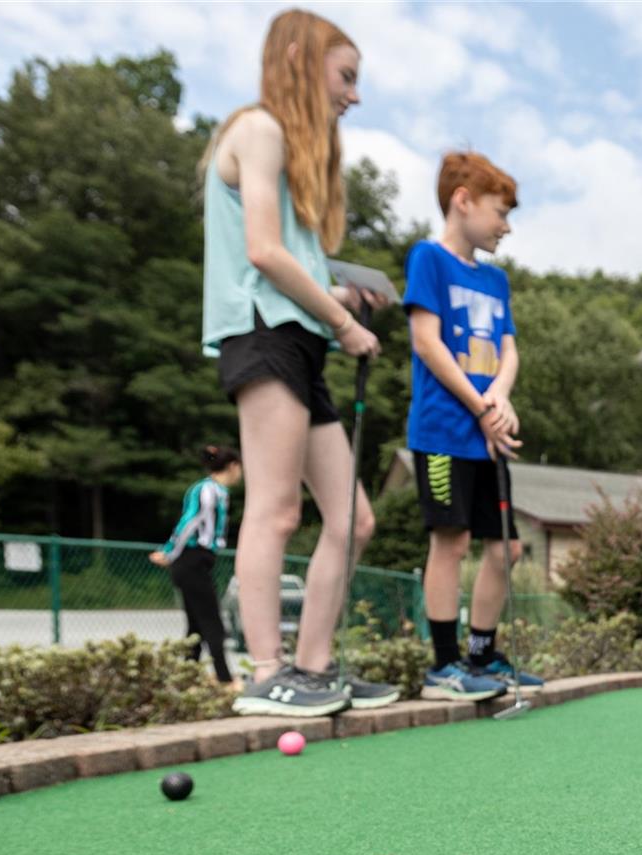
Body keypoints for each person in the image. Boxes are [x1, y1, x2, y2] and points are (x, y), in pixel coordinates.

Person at [201, 7, 395, 718]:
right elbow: (263, 253)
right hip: (263, 336)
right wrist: (345, 322)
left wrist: (343, 296)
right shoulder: (258, 130)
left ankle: (312, 669)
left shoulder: (296, 162)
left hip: (299, 341)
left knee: (353, 519)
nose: (354, 94)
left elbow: (296, 267)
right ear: (299, 61)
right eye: (346, 76)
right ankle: (266, 674)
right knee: (277, 510)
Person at [405, 151, 543, 701]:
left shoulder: (497, 280)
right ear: (463, 201)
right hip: (444, 431)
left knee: (506, 548)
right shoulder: (428, 259)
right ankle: (444, 667)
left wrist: (500, 397)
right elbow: (427, 343)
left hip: (491, 436)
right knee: (451, 541)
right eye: (500, 213)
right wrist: (482, 408)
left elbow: (509, 350)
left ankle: (482, 656)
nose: (506, 226)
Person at [149, 444, 242, 689]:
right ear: (233, 466)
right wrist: (170, 551)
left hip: (197, 560)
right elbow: (190, 521)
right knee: (212, 621)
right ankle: (224, 678)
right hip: (191, 559)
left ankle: (186, 676)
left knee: (196, 624)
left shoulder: (218, 491)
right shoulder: (207, 490)